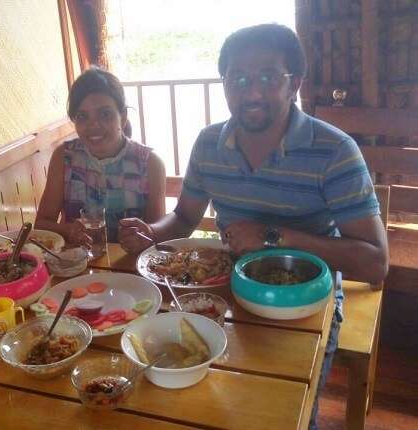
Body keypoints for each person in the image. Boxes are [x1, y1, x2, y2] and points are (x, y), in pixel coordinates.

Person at [118, 24, 388, 429]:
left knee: (283, 412)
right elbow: (185, 217)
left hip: (303, 302)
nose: (252, 92)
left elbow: (375, 264)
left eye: (267, 77)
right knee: (184, 403)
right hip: (224, 291)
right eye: (238, 79)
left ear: (294, 83)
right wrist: (150, 232)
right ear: (225, 84)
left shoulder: (334, 151)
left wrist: (274, 236)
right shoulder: (209, 144)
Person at [35, 67, 166, 245]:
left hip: (131, 266)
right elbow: (41, 224)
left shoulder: (150, 163)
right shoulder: (64, 158)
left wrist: (143, 236)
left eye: (105, 114)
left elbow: (156, 234)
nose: (93, 125)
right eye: (82, 116)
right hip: (78, 266)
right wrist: (68, 230)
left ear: (123, 117)